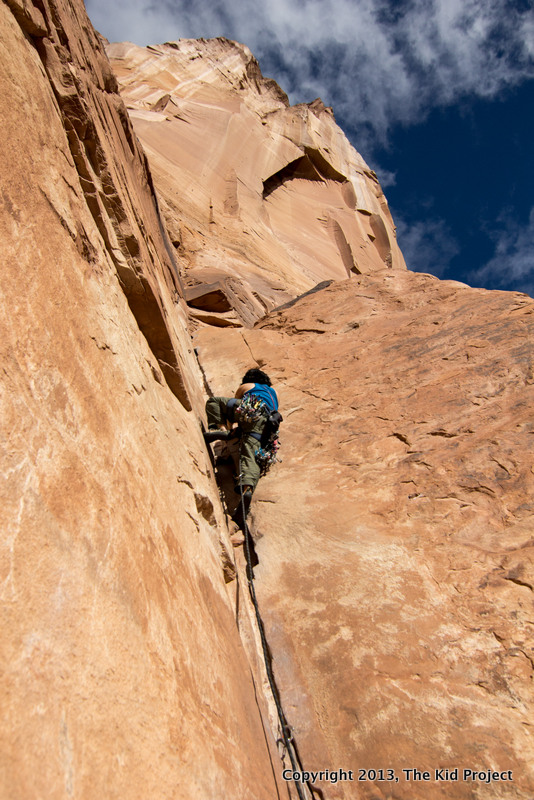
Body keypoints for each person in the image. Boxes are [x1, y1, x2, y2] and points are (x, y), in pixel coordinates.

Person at [204, 368, 280, 516]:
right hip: (268, 427)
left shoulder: (247, 386)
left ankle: (223, 432)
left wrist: (229, 430)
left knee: (214, 402)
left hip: (250, 410)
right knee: (250, 456)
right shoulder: (274, 393)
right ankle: (247, 489)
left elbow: (234, 412)